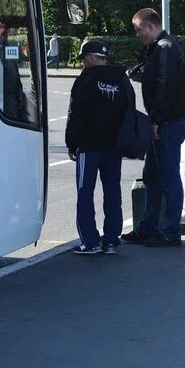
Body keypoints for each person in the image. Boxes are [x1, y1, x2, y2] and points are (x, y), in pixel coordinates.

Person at [120, 8, 185, 247]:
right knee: (152, 175)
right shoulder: (162, 48)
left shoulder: (164, 49)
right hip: (167, 121)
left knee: (168, 176)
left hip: (167, 122)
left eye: (139, 29)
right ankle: (148, 227)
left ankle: (171, 231)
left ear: (150, 26)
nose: (138, 34)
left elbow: (164, 87)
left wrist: (156, 121)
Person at [65, 39, 132, 255]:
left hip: (89, 145)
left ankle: (90, 241)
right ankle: (112, 239)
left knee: (85, 192)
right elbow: (129, 110)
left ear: (93, 57)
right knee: (112, 191)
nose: (84, 62)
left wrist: (71, 143)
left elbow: (75, 115)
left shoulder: (85, 80)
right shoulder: (121, 79)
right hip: (114, 145)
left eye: (85, 58)